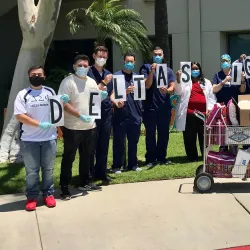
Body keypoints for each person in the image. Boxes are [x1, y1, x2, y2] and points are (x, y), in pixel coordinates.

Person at [14, 66, 69, 211]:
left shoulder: (50, 91)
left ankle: (48, 194)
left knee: (48, 169)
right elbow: (19, 115)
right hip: (29, 140)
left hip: (49, 137)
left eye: (39, 74)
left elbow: (56, 111)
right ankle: (32, 197)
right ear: (28, 76)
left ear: (44, 76)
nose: (36, 76)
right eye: (33, 74)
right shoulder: (22, 94)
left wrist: (62, 101)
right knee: (32, 171)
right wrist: (39, 124)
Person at [58, 54, 108, 200]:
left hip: (90, 126)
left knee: (87, 156)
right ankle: (64, 187)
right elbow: (64, 103)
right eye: (80, 65)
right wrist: (79, 115)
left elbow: (94, 100)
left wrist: (101, 96)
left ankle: (84, 181)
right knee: (69, 157)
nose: (82, 68)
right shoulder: (68, 82)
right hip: (72, 127)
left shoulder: (92, 82)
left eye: (85, 66)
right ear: (74, 67)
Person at [139, 46, 175, 167]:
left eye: (160, 54)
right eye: (155, 54)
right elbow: (147, 85)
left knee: (164, 133)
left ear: (163, 55)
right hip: (150, 107)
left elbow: (172, 86)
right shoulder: (145, 68)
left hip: (164, 107)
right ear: (152, 55)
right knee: (150, 133)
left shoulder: (168, 71)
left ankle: (162, 157)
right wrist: (152, 71)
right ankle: (150, 158)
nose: (157, 56)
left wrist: (168, 90)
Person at [175, 62, 216, 162]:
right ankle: (192, 157)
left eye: (196, 68)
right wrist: (178, 79)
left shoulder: (206, 82)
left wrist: (209, 108)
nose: (195, 71)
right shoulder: (185, 82)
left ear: (200, 70)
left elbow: (211, 97)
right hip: (189, 113)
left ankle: (205, 155)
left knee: (204, 136)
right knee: (190, 136)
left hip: (203, 114)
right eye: (192, 69)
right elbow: (178, 92)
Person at [110, 52, 142, 173]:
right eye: (127, 61)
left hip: (135, 114)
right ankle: (117, 165)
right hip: (120, 114)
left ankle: (133, 164)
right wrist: (123, 94)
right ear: (123, 61)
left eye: (131, 61)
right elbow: (112, 95)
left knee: (134, 141)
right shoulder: (117, 77)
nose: (129, 63)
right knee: (119, 141)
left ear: (134, 62)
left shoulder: (137, 77)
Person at [88, 46, 113, 182]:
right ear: (94, 56)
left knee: (104, 144)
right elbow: (90, 92)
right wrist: (104, 82)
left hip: (106, 112)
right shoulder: (88, 73)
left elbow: (111, 93)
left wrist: (117, 100)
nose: (102, 59)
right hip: (92, 112)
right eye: (100, 56)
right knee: (91, 144)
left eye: (104, 57)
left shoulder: (108, 73)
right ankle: (89, 173)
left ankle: (101, 172)